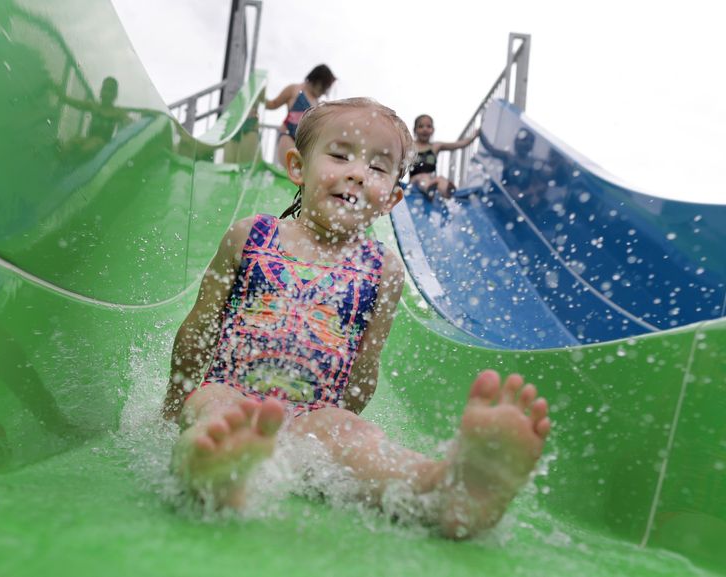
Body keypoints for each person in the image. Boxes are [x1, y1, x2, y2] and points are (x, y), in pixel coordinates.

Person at [162, 97, 550, 538]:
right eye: (340, 155)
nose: (358, 172)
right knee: (212, 407)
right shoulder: (251, 234)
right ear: (296, 166)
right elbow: (200, 325)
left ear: (392, 198)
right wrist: (176, 404)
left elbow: (365, 366)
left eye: (379, 167)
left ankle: (448, 490)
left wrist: (335, 425)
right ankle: (214, 464)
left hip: (311, 411)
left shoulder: (383, 269)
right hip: (231, 390)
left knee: (355, 437)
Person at [264, 64, 337, 165]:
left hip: (304, 144)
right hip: (288, 136)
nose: (323, 92)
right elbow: (273, 104)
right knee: (295, 167)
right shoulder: (294, 90)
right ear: (316, 80)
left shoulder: (317, 102)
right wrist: (260, 96)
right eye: (323, 88)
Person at [409, 114, 479, 199]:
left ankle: (448, 192)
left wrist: (474, 135)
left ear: (433, 130)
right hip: (414, 182)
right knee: (423, 177)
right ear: (415, 130)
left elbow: (459, 144)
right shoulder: (410, 146)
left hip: (431, 180)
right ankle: (429, 189)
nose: (425, 129)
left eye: (428, 126)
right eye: (421, 126)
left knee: (441, 179)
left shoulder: (435, 146)